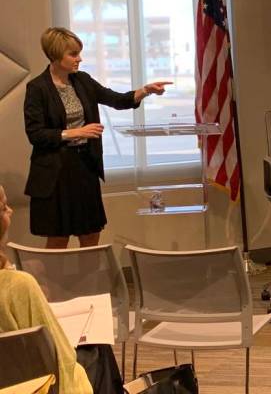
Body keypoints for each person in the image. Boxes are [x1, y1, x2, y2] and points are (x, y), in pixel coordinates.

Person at [24, 27, 171, 249]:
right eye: (73, 54)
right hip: (55, 172)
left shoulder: (82, 80)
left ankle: (92, 283)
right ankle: (52, 285)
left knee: (91, 233)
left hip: (84, 166)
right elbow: (35, 134)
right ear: (55, 55)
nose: (79, 59)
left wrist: (146, 90)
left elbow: (117, 99)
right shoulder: (37, 88)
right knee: (58, 238)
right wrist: (73, 132)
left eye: (79, 53)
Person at [0, 185, 93, 393]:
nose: (11, 211)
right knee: (97, 353)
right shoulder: (18, 286)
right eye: (5, 207)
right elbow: (61, 359)